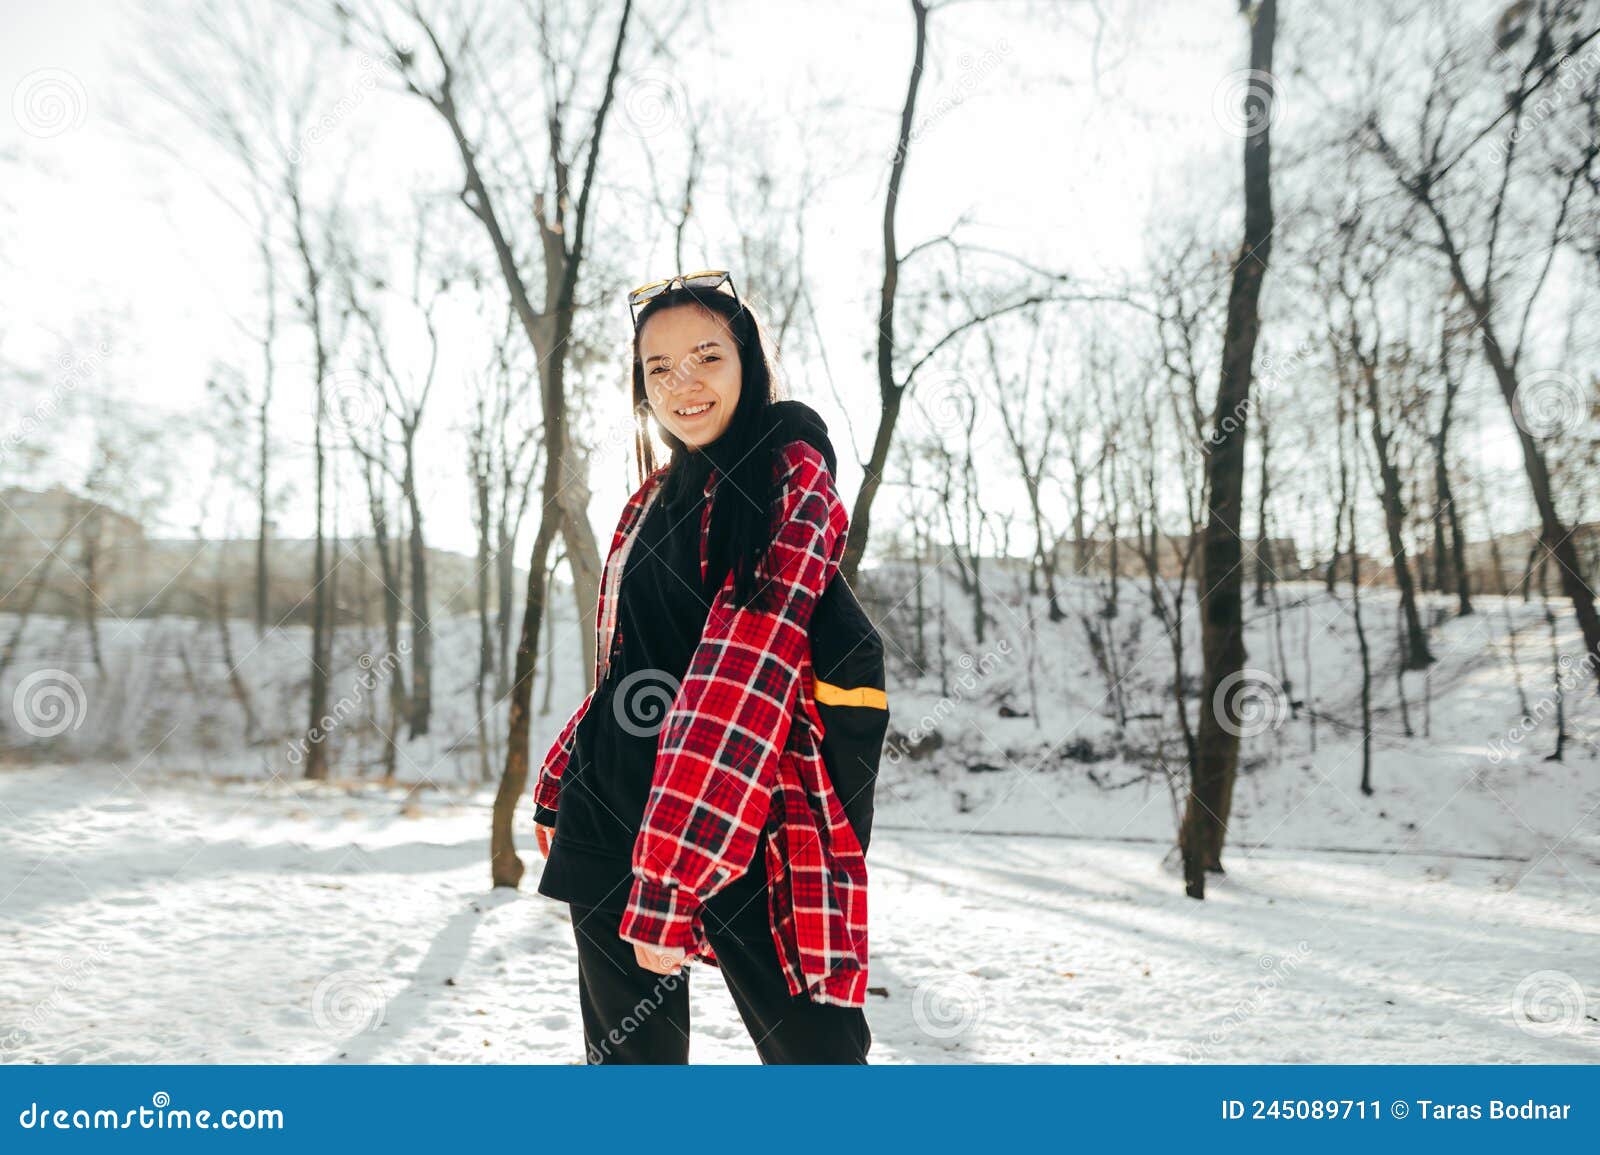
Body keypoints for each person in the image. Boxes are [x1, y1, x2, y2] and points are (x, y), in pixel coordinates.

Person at [531, 270, 872, 1064]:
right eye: (658, 367)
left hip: (742, 820)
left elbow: (741, 672)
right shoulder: (653, 496)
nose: (682, 382)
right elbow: (633, 662)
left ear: (749, 361)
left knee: (819, 1061)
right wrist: (560, 780)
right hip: (610, 813)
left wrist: (673, 873)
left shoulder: (785, 471)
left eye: (706, 356)